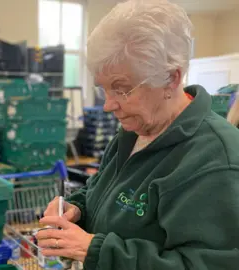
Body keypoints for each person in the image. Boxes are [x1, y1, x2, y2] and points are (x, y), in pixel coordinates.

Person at [36, 0, 239, 269]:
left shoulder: (215, 160)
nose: (108, 105)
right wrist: (76, 209)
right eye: (103, 89)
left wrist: (97, 250)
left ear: (171, 78)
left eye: (121, 88)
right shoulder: (132, 133)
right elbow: (100, 194)